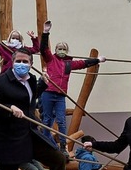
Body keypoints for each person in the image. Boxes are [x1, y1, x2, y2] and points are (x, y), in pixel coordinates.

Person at [0, 47, 82, 170]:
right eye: (18, 61)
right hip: (8, 141)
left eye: (25, 62)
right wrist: (9, 108)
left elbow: (28, 97)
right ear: (12, 62)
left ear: (31, 64)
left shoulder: (30, 79)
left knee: (57, 158)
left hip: (28, 133)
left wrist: (43, 85)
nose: (21, 64)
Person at [39, 20, 106, 154]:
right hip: (48, 92)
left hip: (60, 95)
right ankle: (46, 143)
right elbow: (43, 49)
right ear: (56, 50)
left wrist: (97, 60)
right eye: (59, 48)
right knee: (46, 120)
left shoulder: (69, 64)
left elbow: (83, 63)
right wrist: (45, 33)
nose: (62, 51)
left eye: (64, 49)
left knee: (62, 121)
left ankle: (63, 146)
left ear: (66, 51)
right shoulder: (51, 59)